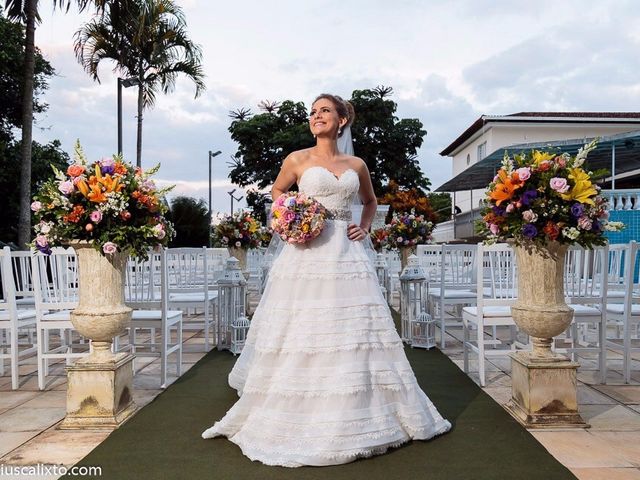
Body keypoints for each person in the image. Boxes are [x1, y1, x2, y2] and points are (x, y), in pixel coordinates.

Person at [202, 94, 451, 467]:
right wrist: (289, 218)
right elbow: (277, 192)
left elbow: (369, 201)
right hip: (306, 251)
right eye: (313, 112)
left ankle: (357, 403)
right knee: (304, 324)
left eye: (324, 111)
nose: (316, 116)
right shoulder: (297, 160)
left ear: (341, 120)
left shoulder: (357, 164)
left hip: (346, 253)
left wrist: (363, 228)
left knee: (353, 326)